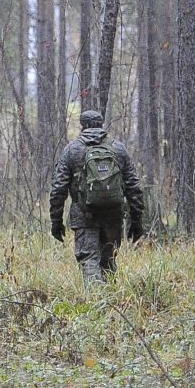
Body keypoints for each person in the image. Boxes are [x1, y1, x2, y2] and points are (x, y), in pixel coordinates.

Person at [47, 109, 146, 282]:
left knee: (89, 260)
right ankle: (110, 303)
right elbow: (134, 187)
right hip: (113, 215)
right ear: (101, 124)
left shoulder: (72, 150)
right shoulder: (118, 149)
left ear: (82, 126)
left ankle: (96, 303)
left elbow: (58, 189)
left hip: (84, 216)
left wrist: (56, 222)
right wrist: (136, 221)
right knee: (108, 261)